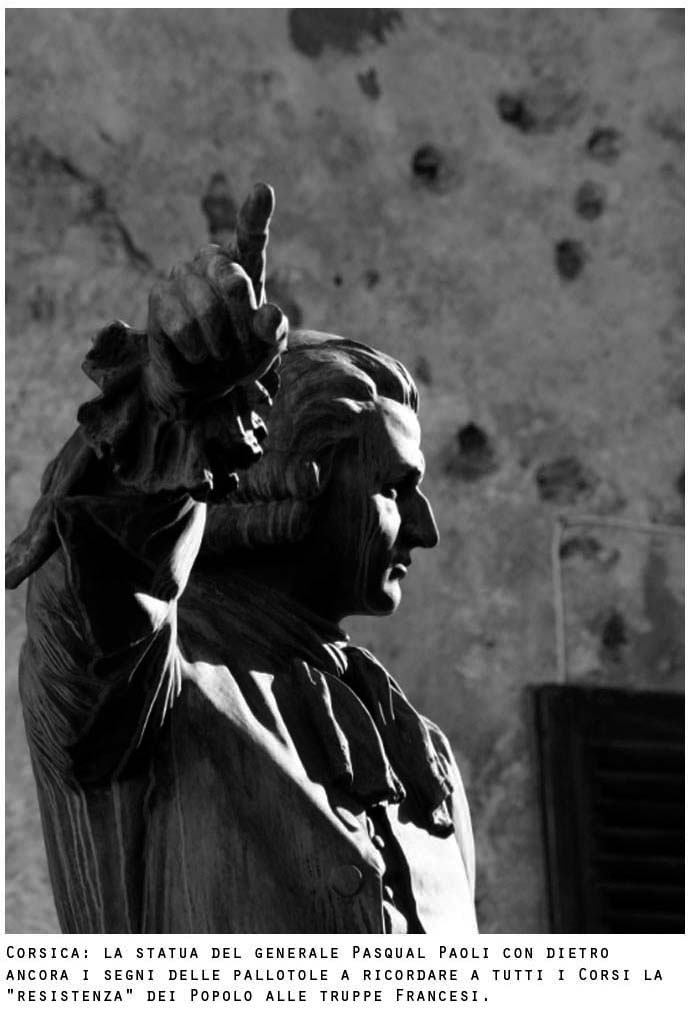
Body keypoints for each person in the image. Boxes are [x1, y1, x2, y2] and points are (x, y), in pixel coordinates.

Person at [7, 184, 477, 934]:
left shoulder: (425, 757)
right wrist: (175, 415)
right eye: (393, 488)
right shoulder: (146, 681)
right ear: (299, 481)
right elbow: (112, 578)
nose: (426, 530)